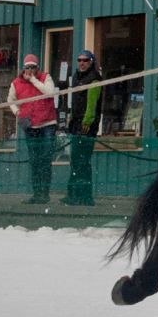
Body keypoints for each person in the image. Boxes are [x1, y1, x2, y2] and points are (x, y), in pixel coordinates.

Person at [7, 53, 60, 204]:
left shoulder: (45, 77)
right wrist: (18, 113)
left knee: (45, 159)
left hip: (47, 124)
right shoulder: (16, 83)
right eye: (27, 67)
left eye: (33, 67)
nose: (30, 70)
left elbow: (49, 93)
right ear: (23, 68)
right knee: (35, 160)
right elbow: (10, 100)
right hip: (30, 125)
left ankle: (45, 193)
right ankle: (37, 193)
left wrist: (34, 80)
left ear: (38, 68)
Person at [63, 49, 106, 205]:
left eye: (85, 60)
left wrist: (87, 121)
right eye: (79, 60)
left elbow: (92, 103)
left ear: (91, 62)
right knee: (75, 161)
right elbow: (75, 102)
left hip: (86, 125)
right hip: (76, 122)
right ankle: (73, 193)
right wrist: (71, 119)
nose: (82, 63)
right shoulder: (76, 77)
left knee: (82, 161)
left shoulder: (94, 79)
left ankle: (84, 196)